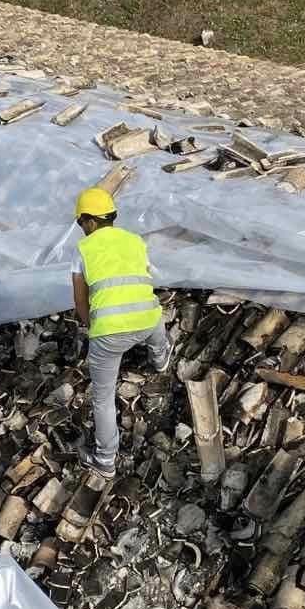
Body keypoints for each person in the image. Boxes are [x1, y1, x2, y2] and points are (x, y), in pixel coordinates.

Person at [70, 186, 171, 477]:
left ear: (88, 220)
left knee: (102, 399)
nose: (82, 229)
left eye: (81, 223)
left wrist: (93, 326)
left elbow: (80, 301)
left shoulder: (84, 250)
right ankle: (160, 359)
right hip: (148, 321)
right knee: (154, 317)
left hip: (110, 335)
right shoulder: (135, 241)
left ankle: (105, 460)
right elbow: (147, 278)